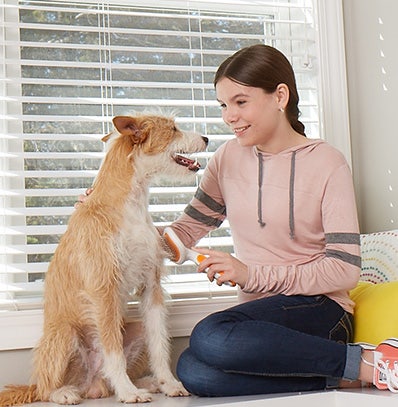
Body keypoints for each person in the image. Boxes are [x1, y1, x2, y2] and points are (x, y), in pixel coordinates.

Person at [162, 44, 398, 396]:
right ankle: (351, 373)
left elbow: (345, 270)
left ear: (280, 96)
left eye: (241, 102)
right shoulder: (227, 158)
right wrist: (112, 217)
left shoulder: (326, 162)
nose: (229, 116)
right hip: (261, 320)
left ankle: (368, 363)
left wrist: (250, 275)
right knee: (193, 370)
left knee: (209, 336)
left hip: (322, 311)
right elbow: (183, 232)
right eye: (224, 105)